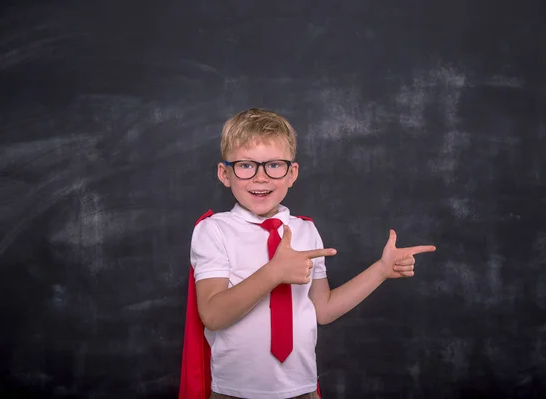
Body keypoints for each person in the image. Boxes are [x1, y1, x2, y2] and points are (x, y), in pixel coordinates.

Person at [179, 108, 436, 399]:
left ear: (292, 174)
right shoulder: (214, 230)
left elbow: (323, 310)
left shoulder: (306, 231)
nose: (261, 178)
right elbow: (212, 315)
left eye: (274, 165)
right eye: (246, 165)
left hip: (301, 391)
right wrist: (273, 272)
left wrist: (381, 270)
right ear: (225, 174)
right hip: (234, 392)